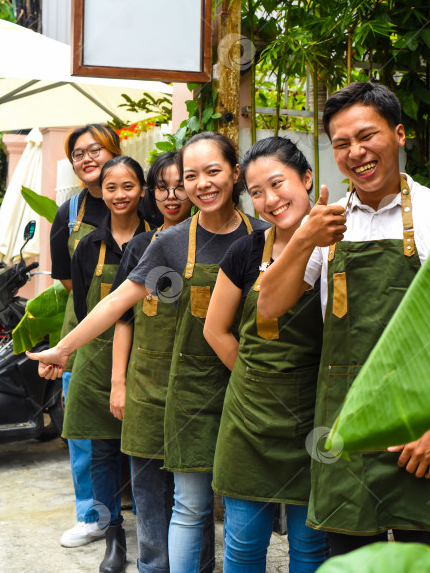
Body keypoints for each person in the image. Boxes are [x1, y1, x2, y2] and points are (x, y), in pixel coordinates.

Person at [28, 132, 268, 573]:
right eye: (191, 175)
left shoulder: (266, 237)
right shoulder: (171, 244)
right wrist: (64, 347)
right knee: (191, 506)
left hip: (249, 389)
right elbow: (118, 303)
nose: (201, 184)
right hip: (191, 392)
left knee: (243, 509)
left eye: (213, 172)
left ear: (235, 173)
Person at [257, 82, 430, 556]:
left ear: (400, 134)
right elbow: (269, 306)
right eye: (341, 144)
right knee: (349, 558)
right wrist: (306, 239)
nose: (356, 153)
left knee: (425, 557)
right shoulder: (327, 223)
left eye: (367, 136)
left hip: (421, 431)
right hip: (346, 425)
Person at [204, 137, 330, 573]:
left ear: (307, 178)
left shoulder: (340, 245)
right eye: (256, 193)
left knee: (312, 547)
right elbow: (215, 329)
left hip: (317, 417)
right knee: (242, 546)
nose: (269, 200)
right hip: (249, 423)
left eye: (277, 184)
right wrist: (257, 382)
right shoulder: (246, 250)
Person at [62, 155, 149, 573]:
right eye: (111, 187)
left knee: (145, 452)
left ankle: (152, 530)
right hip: (98, 360)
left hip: (148, 358)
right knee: (101, 451)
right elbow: (83, 308)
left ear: (142, 190)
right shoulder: (87, 247)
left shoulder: (159, 239)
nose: (119, 195)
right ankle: (112, 532)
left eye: (128, 186)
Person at [109, 151, 193, 573]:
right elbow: (123, 318)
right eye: (162, 186)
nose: (172, 194)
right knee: (146, 486)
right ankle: (153, 565)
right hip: (144, 384)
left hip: (195, 384)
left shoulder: (223, 242)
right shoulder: (143, 245)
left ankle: (193, 565)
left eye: (181, 184)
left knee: (192, 488)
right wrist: (118, 384)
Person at [50, 124, 122, 548]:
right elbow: (69, 283)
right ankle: (92, 516)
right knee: (81, 431)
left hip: (142, 331)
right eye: (79, 153)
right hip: (82, 332)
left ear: (115, 150)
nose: (88, 158)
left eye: (96, 149)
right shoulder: (69, 211)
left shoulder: (143, 200)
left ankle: (141, 513)